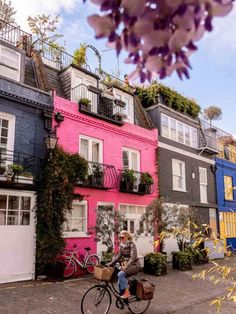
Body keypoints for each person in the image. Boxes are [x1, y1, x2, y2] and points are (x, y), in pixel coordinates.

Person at [108, 230, 140, 299]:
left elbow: (132, 258)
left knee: (120, 274)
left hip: (134, 265)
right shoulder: (122, 245)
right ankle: (124, 298)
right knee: (119, 279)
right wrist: (110, 263)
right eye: (120, 238)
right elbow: (118, 256)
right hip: (127, 265)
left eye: (122, 237)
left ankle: (127, 293)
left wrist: (126, 266)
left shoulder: (132, 245)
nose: (121, 239)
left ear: (127, 237)